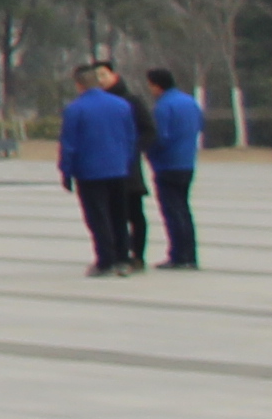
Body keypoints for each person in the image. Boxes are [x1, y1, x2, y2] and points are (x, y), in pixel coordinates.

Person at [57, 60, 151, 274]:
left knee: (98, 216)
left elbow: (69, 143)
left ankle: (105, 260)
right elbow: (130, 137)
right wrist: (126, 161)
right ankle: (122, 257)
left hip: (90, 171)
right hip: (118, 169)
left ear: (79, 85)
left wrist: (66, 171)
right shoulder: (121, 105)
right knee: (119, 214)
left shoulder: (75, 109)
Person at [147, 67, 207, 271]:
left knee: (172, 211)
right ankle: (190, 254)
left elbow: (160, 137)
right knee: (184, 209)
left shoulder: (163, 106)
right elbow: (200, 125)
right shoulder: (190, 102)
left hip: (167, 164)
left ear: (156, 85)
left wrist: (149, 153)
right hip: (187, 162)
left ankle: (178, 255)